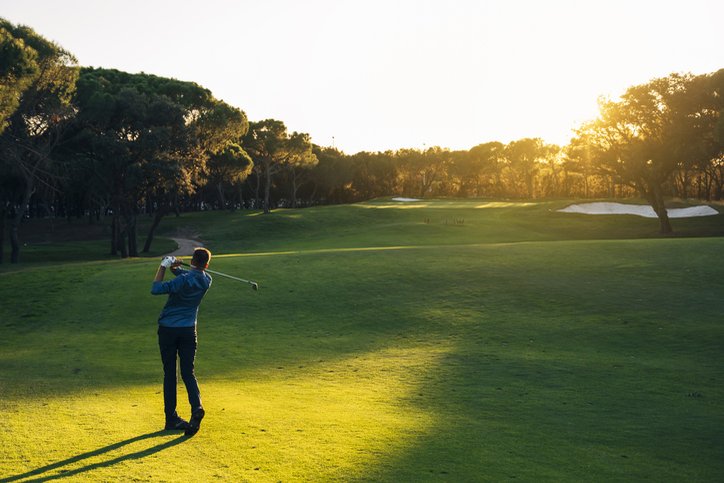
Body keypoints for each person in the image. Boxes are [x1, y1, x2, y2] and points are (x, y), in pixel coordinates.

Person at [151, 248, 212, 436]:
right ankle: (196, 407)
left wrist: (163, 266)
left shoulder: (182, 280)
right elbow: (189, 276)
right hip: (189, 330)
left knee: (170, 374)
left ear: (192, 260)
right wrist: (175, 267)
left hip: (169, 330)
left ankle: (171, 419)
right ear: (207, 265)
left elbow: (156, 288)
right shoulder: (207, 280)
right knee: (188, 373)